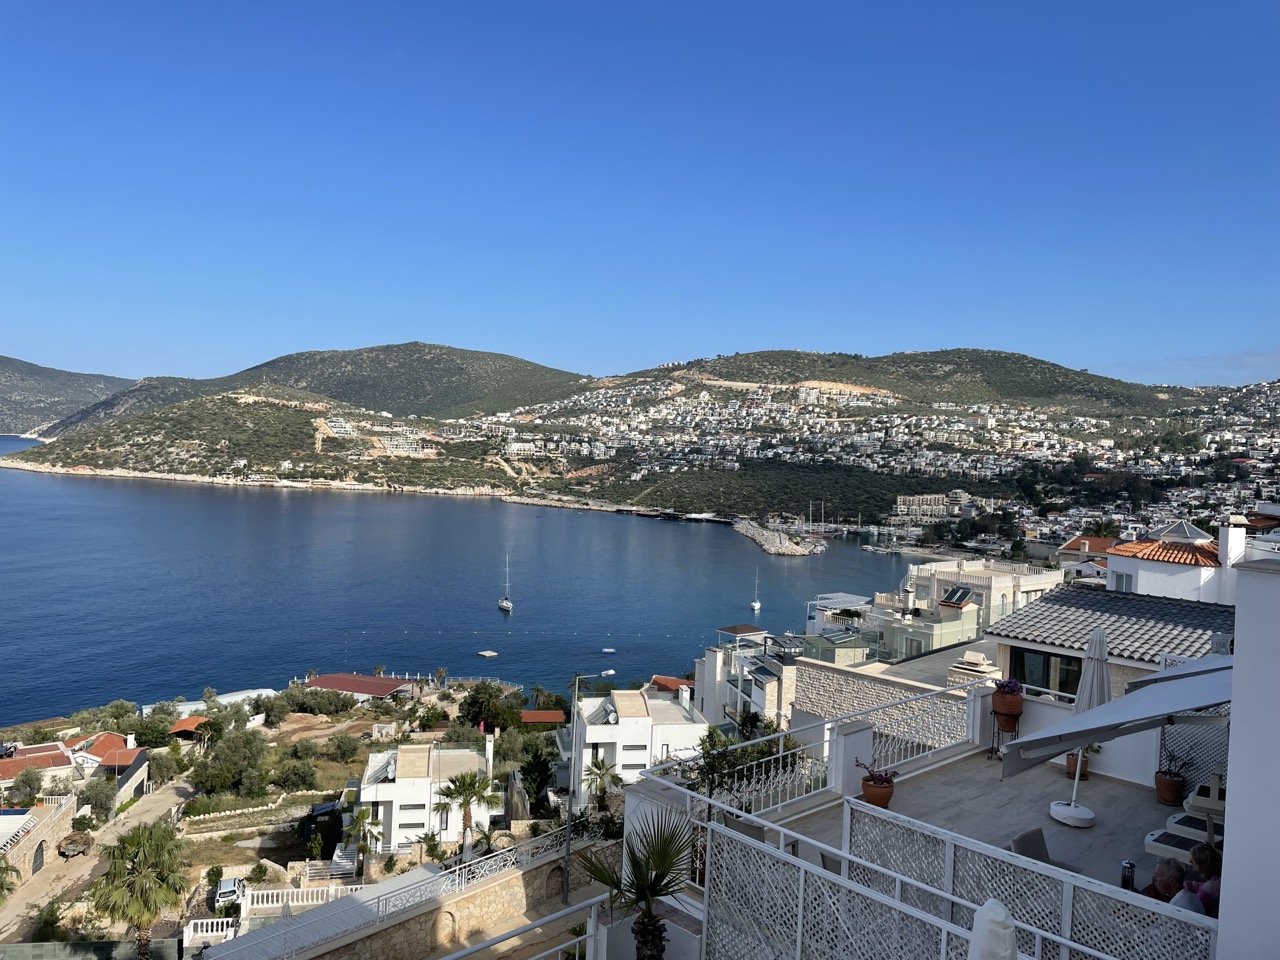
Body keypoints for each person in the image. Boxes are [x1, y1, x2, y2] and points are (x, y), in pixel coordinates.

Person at [1184, 843, 1222, 918]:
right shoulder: (1219, 879)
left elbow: (1196, 913)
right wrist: (1186, 884)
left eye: (1194, 859)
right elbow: (1201, 885)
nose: (1190, 861)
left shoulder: (1205, 893)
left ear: (1202, 863)